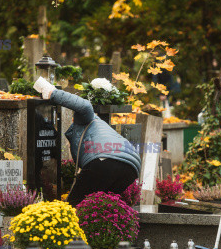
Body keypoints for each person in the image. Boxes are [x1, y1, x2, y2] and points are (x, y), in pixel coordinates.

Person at [33, 77, 141, 207]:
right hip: (131, 168)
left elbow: (84, 105)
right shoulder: (99, 127)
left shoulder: (86, 118)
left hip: (105, 160)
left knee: (74, 205)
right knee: (98, 207)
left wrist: (52, 92)